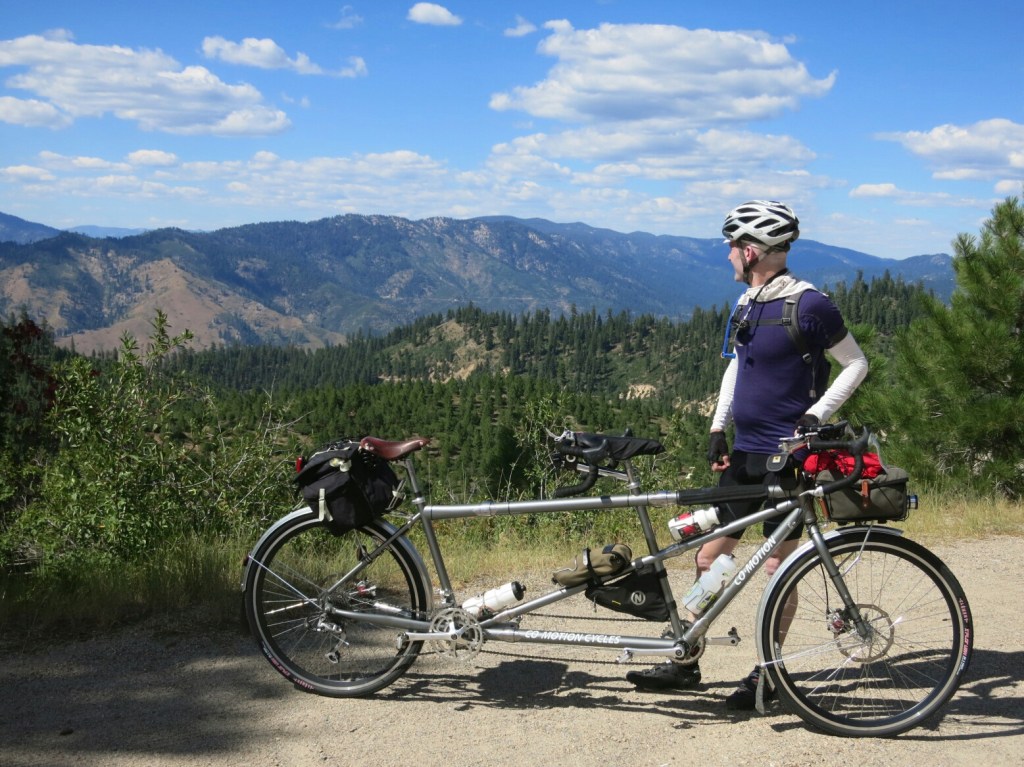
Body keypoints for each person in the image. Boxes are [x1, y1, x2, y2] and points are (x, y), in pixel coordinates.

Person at [627, 200, 869, 709]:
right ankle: (685, 658)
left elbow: (855, 364)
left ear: (751, 250)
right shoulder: (746, 303)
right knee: (710, 556)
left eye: (732, 248)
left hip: (789, 459)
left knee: (778, 568)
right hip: (744, 454)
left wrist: (815, 418)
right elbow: (736, 366)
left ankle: (770, 673)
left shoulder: (810, 304)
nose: (728, 256)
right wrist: (719, 426)